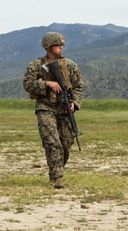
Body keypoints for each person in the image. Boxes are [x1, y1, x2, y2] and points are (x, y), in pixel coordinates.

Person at [22, 31, 84, 189]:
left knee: (66, 143)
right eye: (57, 45)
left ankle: (57, 168)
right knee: (52, 141)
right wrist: (46, 84)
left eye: (62, 45)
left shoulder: (70, 65)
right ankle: (57, 176)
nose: (61, 47)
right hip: (45, 107)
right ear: (48, 47)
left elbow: (78, 87)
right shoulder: (36, 65)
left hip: (64, 108)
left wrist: (74, 103)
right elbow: (27, 84)